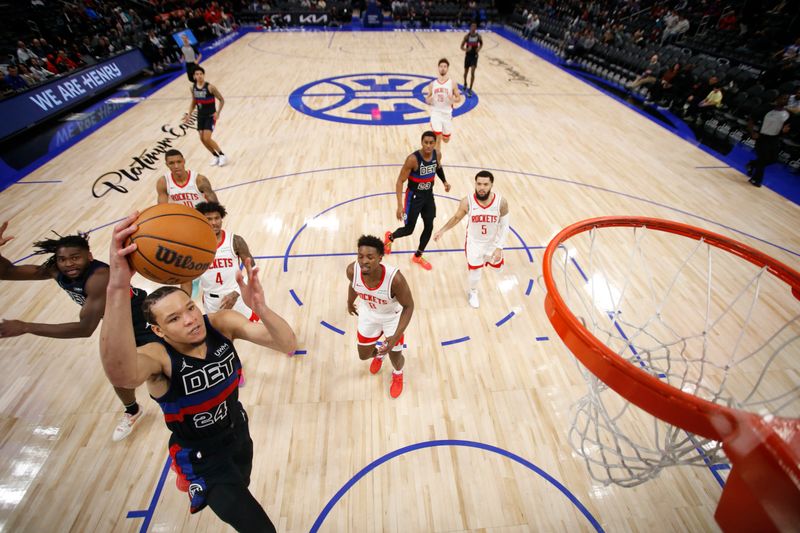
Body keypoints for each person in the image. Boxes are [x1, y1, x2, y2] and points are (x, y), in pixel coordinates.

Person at [100, 212, 296, 532]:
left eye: (189, 308)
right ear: (158, 331)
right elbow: (122, 375)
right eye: (174, 319)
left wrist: (260, 307)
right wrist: (118, 287)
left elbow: (287, 343)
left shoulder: (219, 324)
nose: (190, 319)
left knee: (243, 487)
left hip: (238, 432)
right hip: (201, 459)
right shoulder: (159, 357)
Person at [0, 222, 157, 441]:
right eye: (62, 259)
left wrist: (26, 327)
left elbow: (85, 329)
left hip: (143, 318)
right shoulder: (56, 270)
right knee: (117, 372)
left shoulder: (99, 278)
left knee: (171, 366)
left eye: (75, 257)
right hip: (117, 322)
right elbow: (7, 272)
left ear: (89, 256)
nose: (68, 264)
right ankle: (133, 411)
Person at [346, 235, 414, 398]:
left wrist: (395, 337)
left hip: (392, 319)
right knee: (363, 355)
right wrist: (349, 301)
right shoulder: (352, 270)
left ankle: (398, 373)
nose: (364, 261)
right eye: (360, 256)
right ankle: (380, 354)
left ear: (380, 258)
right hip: (369, 314)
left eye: (370, 257)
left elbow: (409, 306)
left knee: (396, 357)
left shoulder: (395, 279)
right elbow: (353, 284)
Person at [433, 170, 509, 308]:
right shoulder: (467, 202)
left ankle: (492, 262)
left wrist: (500, 247)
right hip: (474, 243)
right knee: (475, 272)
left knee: (498, 268)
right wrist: (442, 231)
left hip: (493, 243)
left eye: (485, 184)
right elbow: (456, 218)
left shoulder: (501, 202)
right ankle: (473, 292)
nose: (482, 187)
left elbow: (505, 226)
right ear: (475, 183)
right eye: (479, 183)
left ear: (491, 184)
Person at [383, 131, 451, 271]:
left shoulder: (437, 154)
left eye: (431, 142)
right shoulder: (412, 159)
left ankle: (418, 256)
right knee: (409, 229)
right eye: (425, 142)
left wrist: (444, 181)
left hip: (428, 196)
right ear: (421, 142)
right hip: (413, 197)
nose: (428, 145)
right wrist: (400, 205)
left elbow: (438, 167)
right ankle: (390, 237)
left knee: (429, 226)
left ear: (434, 143)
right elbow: (400, 181)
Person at [181, 202, 257, 321]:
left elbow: (252, 270)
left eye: (217, 218)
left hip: (237, 295)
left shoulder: (235, 240)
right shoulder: (192, 246)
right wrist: (184, 304)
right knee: (221, 336)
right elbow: (186, 280)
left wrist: (236, 293)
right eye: (209, 219)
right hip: (212, 302)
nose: (214, 223)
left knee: (251, 332)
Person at [183, 66, 228, 167]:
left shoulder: (210, 87)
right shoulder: (192, 88)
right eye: (197, 74)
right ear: (194, 76)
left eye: (201, 74)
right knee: (202, 139)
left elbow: (221, 100)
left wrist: (218, 112)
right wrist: (188, 114)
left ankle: (222, 155)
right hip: (200, 116)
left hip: (210, 115)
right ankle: (215, 156)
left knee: (207, 138)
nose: (199, 76)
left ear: (203, 75)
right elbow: (194, 102)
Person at [746, 94, 791, 188]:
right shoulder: (767, 109)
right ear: (777, 99)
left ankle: (752, 164)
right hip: (762, 137)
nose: (784, 100)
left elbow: (784, 128)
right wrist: (752, 132)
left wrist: (784, 131)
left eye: (786, 99)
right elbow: (751, 120)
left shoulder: (787, 114)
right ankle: (756, 180)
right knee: (763, 159)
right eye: (783, 98)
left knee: (773, 159)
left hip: (774, 138)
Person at [423, 58, 462, 153]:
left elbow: (459, 98)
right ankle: (437, 163)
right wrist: (429, 100)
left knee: (446, 139)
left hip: (447, 114)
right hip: (436, 113)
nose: (443, 68)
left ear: (447, 68)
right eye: (441, 66)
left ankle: (445, 136)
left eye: (445, 67)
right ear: (438, 68)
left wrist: (453, 100)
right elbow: (427, 99)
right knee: (438, 139)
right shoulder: (432, 84)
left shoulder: (452, 83)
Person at [460, 23, 483, 97]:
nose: (473, 28)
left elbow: (481, 44)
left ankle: (470, 89)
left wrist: (479, 49)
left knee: (472, 72)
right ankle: (465, 84)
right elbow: (461, 47)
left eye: (474, 27)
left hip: (474, 56)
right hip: (468, 56)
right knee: (466, 73)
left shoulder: (478, 36)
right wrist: (467, 49)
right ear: (470, 28)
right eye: (472, 27)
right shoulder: (467, 36)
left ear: (476, 28)